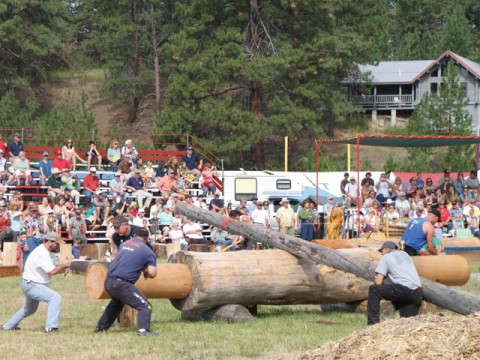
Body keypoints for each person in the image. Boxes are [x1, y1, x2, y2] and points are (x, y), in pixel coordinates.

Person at [94, 227, 157, 336]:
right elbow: (152, 273)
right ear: (146, 239)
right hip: (122, 283)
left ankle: (100, 327)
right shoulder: (147, 251)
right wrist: (145, 270)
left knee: (117, 303)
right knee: (145, 306)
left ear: (135, 235)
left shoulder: (124, 244)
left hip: (108, 281)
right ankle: (143, 331)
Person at [3, 232, 70, 332]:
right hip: (32, 284)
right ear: (48, 241)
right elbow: (52, 272)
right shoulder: (41, 253)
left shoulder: (48, 252)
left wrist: (62, 268)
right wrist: (63, 266)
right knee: (55, 298)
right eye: (56, 243)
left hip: (31, 283)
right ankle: (51, 327)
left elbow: (52, 269)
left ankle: (7, 326)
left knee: (30, 309)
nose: (58, 245)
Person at [367, 241, 422, 325]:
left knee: (374, 289)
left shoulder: (386, 257)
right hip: (416, 293)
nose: (381, 254)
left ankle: (372, 324)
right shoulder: (405, 255)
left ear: (388, 249)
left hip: (403, 291)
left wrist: (375, 279)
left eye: (382, 251)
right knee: (407, 325)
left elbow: (378, 282)